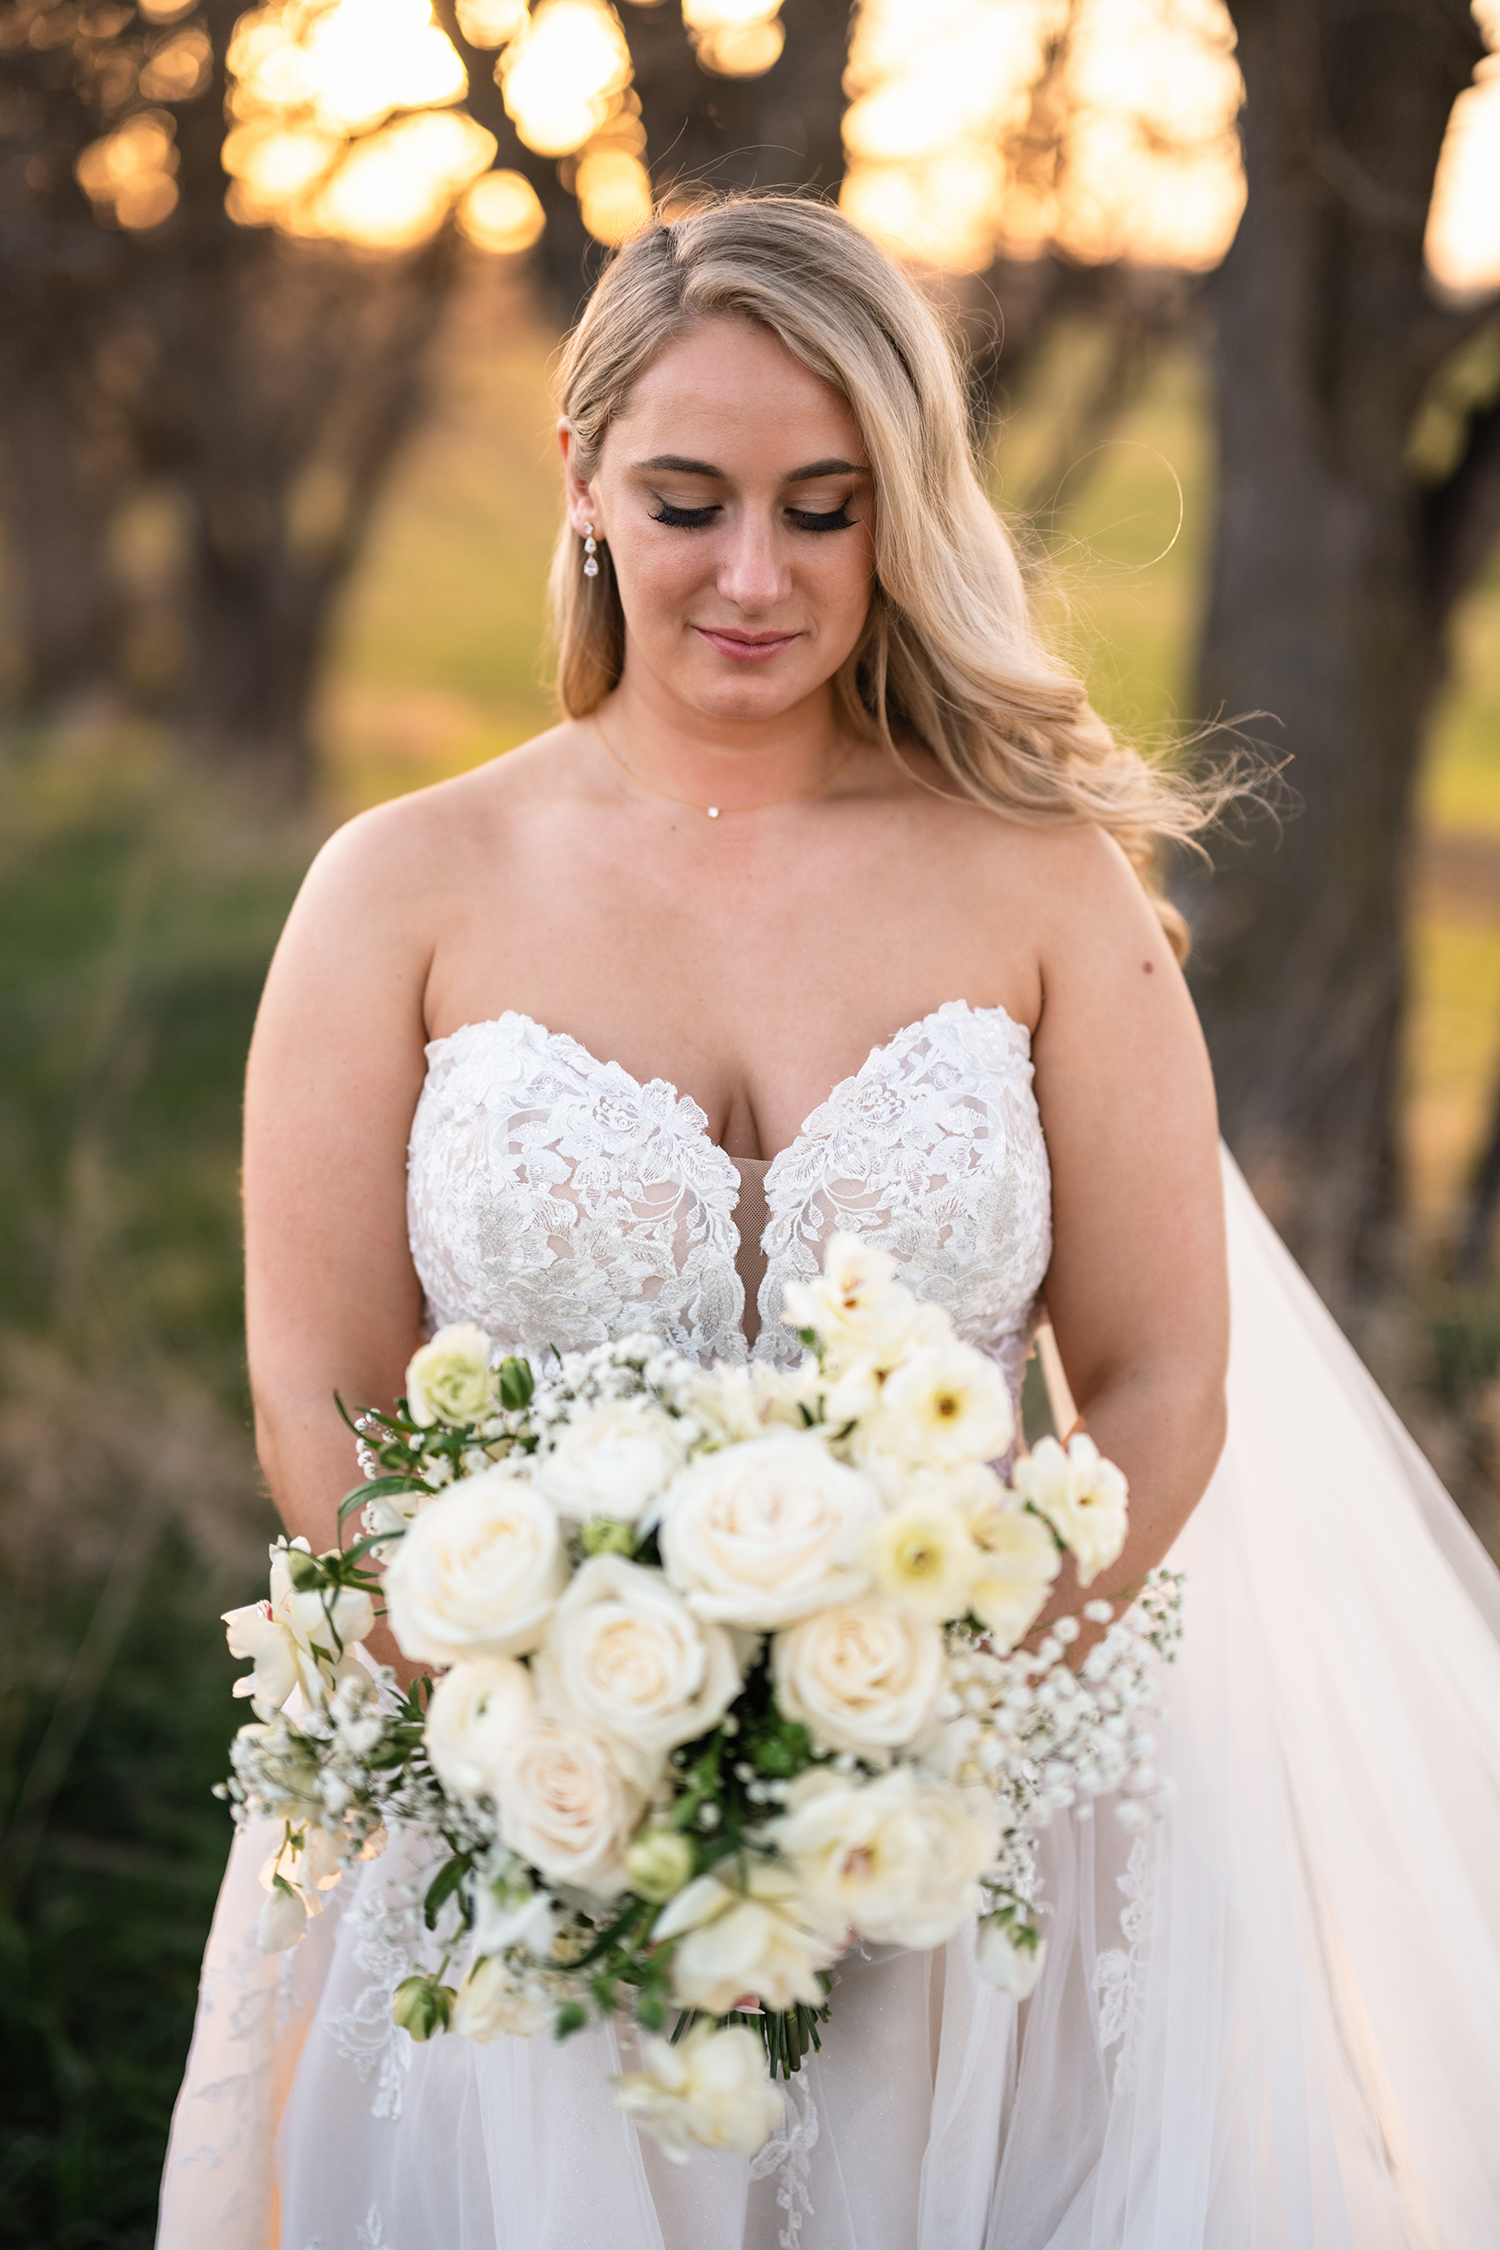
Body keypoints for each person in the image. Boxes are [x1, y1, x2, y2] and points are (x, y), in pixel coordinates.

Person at [156, 196, 1500, 2250]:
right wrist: (537, 1738)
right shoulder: (399, 888)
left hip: (987, 1832)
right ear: (584, 481)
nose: (757, 576)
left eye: (827, 506)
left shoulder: (1044, 886)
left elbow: (1161, 1374)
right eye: (689, 501)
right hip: (522, 1815)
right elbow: (311, 1395)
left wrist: (929, 1741)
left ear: (906, 512)